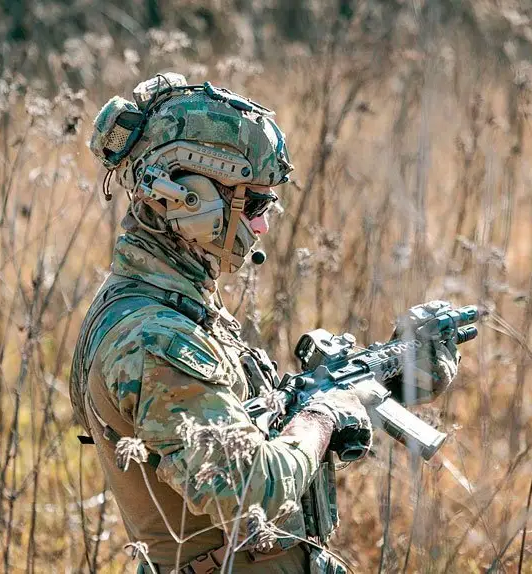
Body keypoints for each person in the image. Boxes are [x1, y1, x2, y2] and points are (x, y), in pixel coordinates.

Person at [70, 73, 459, 574]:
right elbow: (251, 490)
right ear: (186, 196)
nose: (263, 224)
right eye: (253, 203)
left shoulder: (166, 299)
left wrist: (388, 373)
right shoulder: (154, 338)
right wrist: (323, 416)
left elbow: (241, 421)